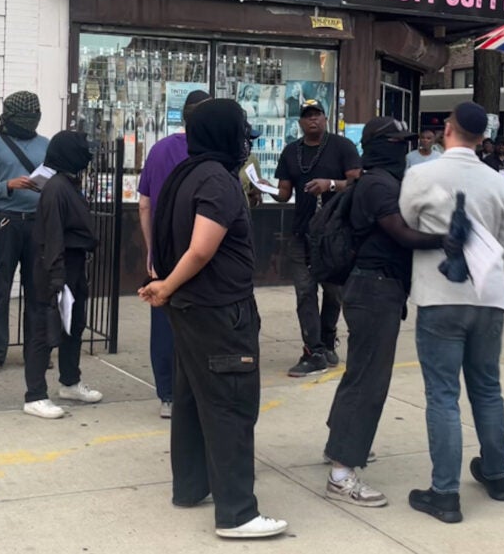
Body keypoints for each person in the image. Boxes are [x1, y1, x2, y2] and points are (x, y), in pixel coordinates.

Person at [139, 98, 287, 539]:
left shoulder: (185, 173)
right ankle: (238, 513)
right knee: (231, 406)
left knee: (189, 400)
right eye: (241, 132)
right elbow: (202, 247)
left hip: (190, 309)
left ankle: (190, 486)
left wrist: (166, 283)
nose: (245, 142)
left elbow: (161, 228)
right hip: (221, 311)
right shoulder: (218, 181)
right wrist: (165, 286)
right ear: (225, 134)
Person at [400, 102, 504, 523]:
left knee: (443, 394)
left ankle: (444, 492)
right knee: (487, 387)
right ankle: (496, 473)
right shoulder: (498, 181)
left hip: (439, 294)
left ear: (448, 130)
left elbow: (408, 224)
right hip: (488, 294)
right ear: (483, 137)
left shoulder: (420, 174)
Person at [321, 117, 445, 509]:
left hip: (373, 288)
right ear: (378, 145)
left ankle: (339, 444)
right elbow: (402, 233)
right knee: (369, 381)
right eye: (395, 141)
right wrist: (450, 238)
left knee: (360, 373)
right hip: (375, 289)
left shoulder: (378, 180)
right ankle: (342, 474)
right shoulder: (378, 184)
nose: (402, 147)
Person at [270, 99, 362, 376]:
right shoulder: (291, 152)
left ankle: (327, 335)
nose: (313, 120)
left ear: (325, 117)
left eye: (317, 115)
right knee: (305, 291)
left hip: (336, 233)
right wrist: (259, 189)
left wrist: (330, 184)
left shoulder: (342, 147)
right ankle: (314, 350)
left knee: (333, 291)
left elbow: (358, 182)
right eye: (307, 116)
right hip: (302, 232)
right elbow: (284, 192)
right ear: (300, 122)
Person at [138, 90, 211, 419]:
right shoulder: (210, 152)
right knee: (202, 322)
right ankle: (195, 390)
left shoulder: (158, 150)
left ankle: (167, 395)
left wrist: (151, 249)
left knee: (164, 324)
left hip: (165, 253)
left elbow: (144, 203)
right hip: (200, 249)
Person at [23, 131, 103, 419]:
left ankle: (69, 381)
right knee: (45, 330)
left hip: (74, 264)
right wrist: (56, 279)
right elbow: (52, 235)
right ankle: (34, 395)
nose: (88, 157)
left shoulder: (68, 183)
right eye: (83, 151)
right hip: (58, 266)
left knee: (74, 326)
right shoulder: (57, 188)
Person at [0, 91, 49, 374]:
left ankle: (37, 350)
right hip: (7, 221)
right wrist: (9, 185)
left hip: (37, 222)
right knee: (0, 289)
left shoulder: (46, 143)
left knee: (37, 290)